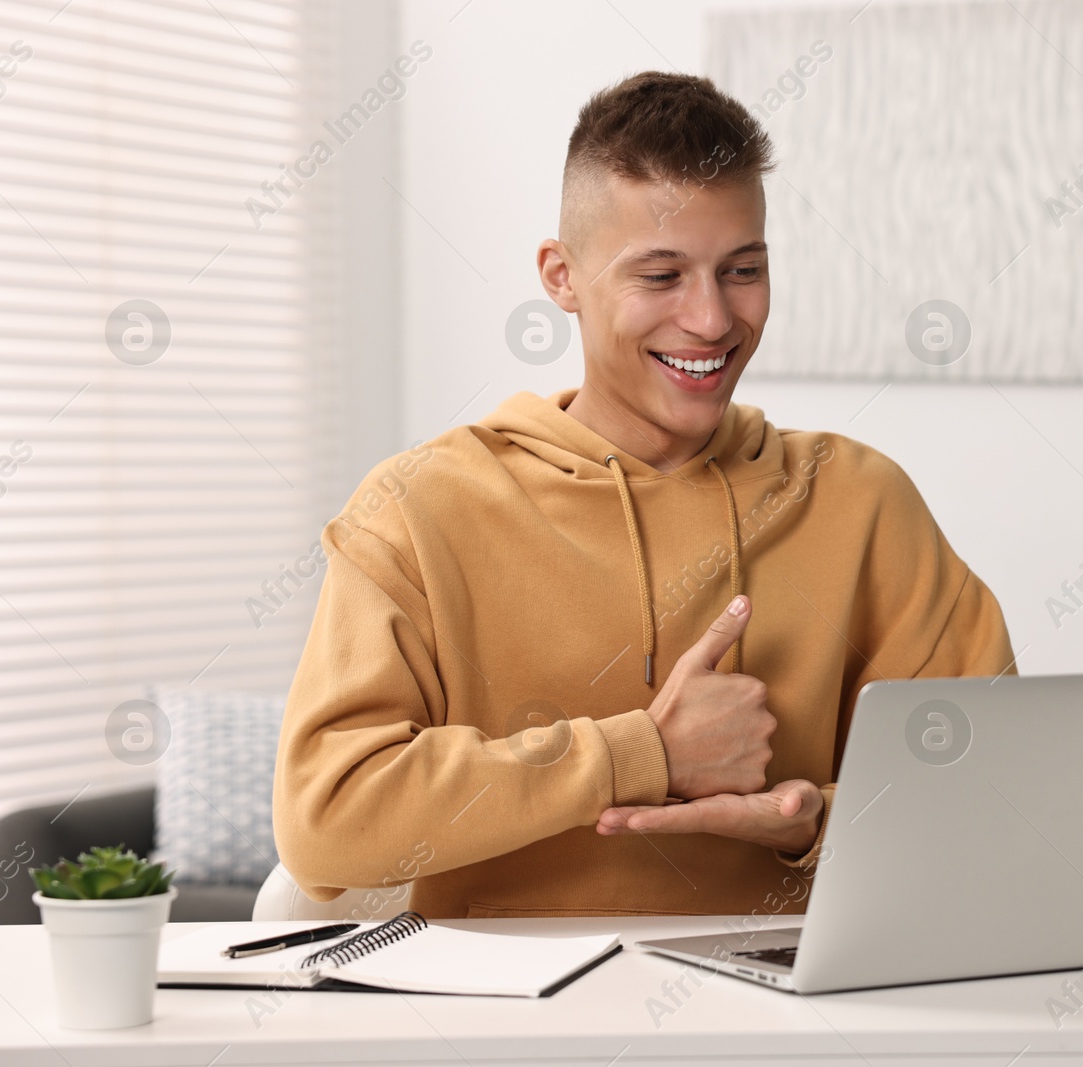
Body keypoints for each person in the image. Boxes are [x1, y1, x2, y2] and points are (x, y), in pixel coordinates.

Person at [272, 71, 1017, 919]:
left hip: (793, 1027)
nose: (710, 319)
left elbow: (995, 791)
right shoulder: (419, 507)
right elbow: (325, 824)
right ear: (562, 276)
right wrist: (641, 752)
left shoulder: (860, 499)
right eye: (661, 276)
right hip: (511, 1030)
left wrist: (813, 821)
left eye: (742, 269)